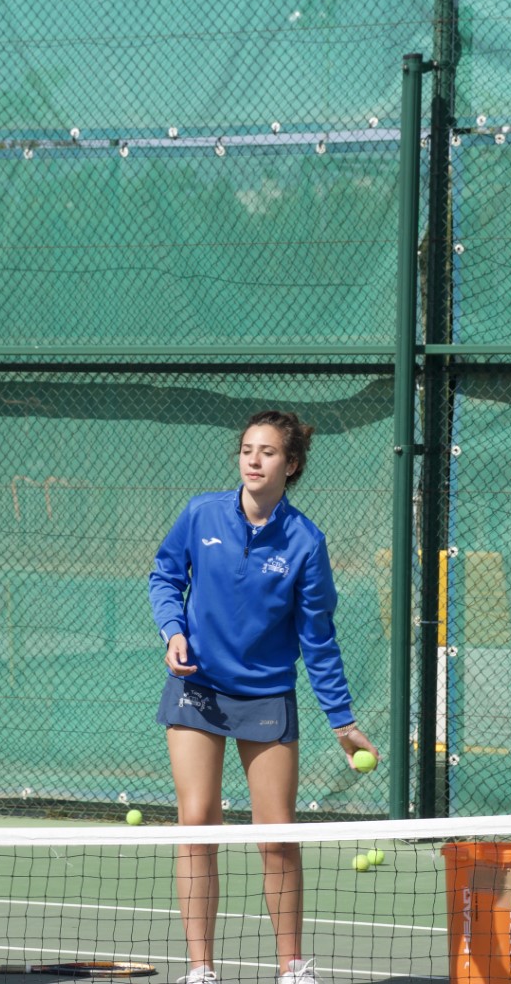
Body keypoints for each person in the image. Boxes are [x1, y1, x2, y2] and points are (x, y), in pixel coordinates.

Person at [149, 411, 379, 984]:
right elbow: (165, 575)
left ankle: (291, 967)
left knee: (276, 835)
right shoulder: (201, 513)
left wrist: (342, 721)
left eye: (268, 452)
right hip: (197, 689)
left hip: (266, 696)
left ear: (291, 464)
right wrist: (173, 630)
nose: (253, 459)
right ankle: (200, 969)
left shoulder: (305, 542)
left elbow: (317, 638)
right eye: (247, 449)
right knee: (196, 825)